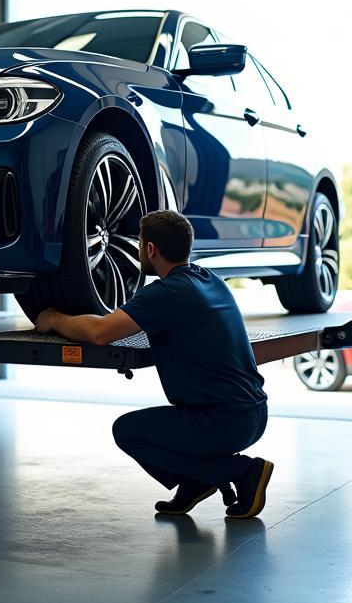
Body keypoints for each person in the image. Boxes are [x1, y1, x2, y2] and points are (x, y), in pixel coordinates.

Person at [35, 209, 272, 518]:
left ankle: (243, 472)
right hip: (251, 413)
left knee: (128, 431)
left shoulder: (166, 292)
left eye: (139, 244)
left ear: (150, 249)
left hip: (222, 423)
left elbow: (99, 332)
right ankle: (195, 481)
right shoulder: (209, 279)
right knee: (159, 426)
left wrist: (54, 318)